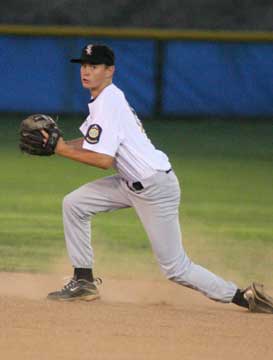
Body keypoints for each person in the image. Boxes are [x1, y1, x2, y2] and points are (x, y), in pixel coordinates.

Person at [45, 44, 257, 311]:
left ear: (110, 70)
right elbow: (91, 143)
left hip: (155, 187)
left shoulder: (108, 102)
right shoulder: (105, 100)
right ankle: (83, 281)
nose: (86, 71)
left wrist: (61, 149)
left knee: (176, 268)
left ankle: (242, 297)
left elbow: (102, 160)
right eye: (84, 65)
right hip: (130, 182)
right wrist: (62, 145)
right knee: (75, 203)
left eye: (94, 66)